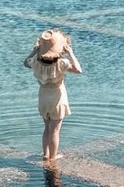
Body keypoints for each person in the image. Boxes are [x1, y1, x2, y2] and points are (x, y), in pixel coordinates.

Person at [24, 29, 82, 161]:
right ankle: (53, 157)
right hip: (57, 98)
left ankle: (45, 154)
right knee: (55, 130)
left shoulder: (36, 63)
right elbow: (78, 70)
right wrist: (71, 53)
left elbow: (25, 63)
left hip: (43, 97)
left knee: (46, 128)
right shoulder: (61, 63)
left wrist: (35, 50)